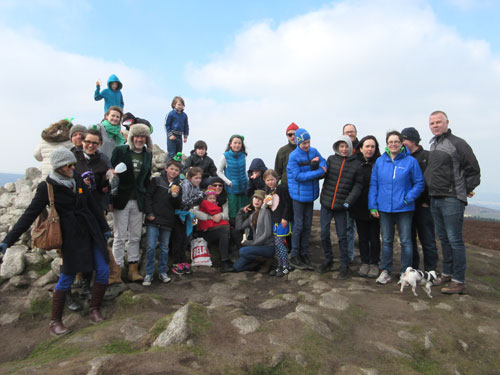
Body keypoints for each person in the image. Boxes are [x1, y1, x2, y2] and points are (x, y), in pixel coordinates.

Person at [0, 147, 111, 335]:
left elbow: (92, 204)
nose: (72, 167)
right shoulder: (47, 187)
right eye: (68, 165)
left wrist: (105, 228)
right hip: (71, 238)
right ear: (59, 166)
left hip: (91, 231)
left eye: (73, 164)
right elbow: (29, 215)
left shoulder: (76, 178)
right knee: (67, 275)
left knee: (103, 269)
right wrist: (8, 240)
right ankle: (55, 321)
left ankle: (94, 309)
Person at [424, 111, 480, 294]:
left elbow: (474, 171)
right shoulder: (433, 145)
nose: (435, 125)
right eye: (432, 123)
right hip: (436, 198)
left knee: (455, 240)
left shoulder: (458, 143)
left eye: (438, 122)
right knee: (444, 239)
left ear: (447, 122)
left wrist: (462, 190)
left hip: (451, 199)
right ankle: (447, 274)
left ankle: (458, 281)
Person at [369, 131, 425, 285]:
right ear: (387, 144)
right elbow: (374, 184)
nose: (393, 144)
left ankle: (405, 273)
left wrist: (408, 198)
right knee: (386, 241)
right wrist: (373, 206)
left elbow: (419, 183)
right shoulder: (380, 162)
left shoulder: (410, 161)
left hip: (404, 208)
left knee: (406, 241)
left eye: (396, 141)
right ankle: (385, 271)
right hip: (385, 208)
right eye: (390, 142)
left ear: (401, 144)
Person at [110, 124, 153, 282]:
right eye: (137, 136)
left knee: (135, 236)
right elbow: (110, 170)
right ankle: (116, 271)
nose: (140, 139)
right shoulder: (120, 151)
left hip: (138, 199)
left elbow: (147, 177)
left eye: (143, 137)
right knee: (119, 237)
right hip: (121, 198)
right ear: (131, 137)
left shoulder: (148, 154)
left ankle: (133, 270)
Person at [319, 136, 363, 279]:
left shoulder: (356, 164)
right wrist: (315, 166)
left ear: (350, 147)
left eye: (346, 146)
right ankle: (328, 259)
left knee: (342, 236)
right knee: (324, 233)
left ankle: (344, 265)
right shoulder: (331, 159)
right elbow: (323, 173)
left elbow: (358, 186)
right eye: (341, 146)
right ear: (337, 147)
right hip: (326, 203)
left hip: (342, 206)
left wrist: (348, 201)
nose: (344, 149)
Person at [287, 128, 327, 270]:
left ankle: (304, 253)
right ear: (298, 142)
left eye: (308, 142)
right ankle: (294, 254)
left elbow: (324, 161)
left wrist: (321, 165)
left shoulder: (314, 151)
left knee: (307, 225)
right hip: (298, 196)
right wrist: (318, 172)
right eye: (304, 143)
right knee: (298, 226)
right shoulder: (293, 156)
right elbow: (299, 176)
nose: (307, 145)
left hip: (310, 196)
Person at [401, 127, 439, 272]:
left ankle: (431, 270)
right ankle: (413, 269)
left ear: (413, 140)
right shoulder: (402, 158)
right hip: (407, 206)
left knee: (427, 239)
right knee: (409, 240)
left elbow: (432, 181)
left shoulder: (427, 156)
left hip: (423, 206)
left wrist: (427, 201)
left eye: (403, 139)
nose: (401, 143)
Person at [142, 158, 182, 286]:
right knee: (151, 247)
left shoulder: (178, 186)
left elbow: (177, 205)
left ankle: (162, 271)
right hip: (153, 219)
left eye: (176, 170)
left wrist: (175, 195)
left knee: (164, 248)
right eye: (171, 169)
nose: (174, 172)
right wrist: (149, 213)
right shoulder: (156, 181)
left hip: (168, 220)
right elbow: (148, 197)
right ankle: (148, 273)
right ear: (166, 169)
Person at [349, 136, 381, 278]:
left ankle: (374, 263)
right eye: (367, 146)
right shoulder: (354, 163)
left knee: (374, 237)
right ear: (360, 148)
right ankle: (365, 262)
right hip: (359, 206)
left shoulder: (380, 162)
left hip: (376, 206)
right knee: (362, 237)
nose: (370, 149)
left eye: (372, 146)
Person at [193, 177, 234, 273]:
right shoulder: (200, 199)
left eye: (220, 185)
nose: (217, 187)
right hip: (205, 230)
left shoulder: (223, 200)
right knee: (224, 232)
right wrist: (210, 217)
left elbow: (225, 216)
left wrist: (219, 215)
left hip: (216, 228)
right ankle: (225, 261)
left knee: (231, 231)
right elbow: (194, 212)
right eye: (215, 185)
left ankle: (237, 259)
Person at [170, 166, 204, 275]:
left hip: (186, 214)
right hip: (177, 214)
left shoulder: (196, 187)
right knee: (178, 238)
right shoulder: (185, 185)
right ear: (189, 177)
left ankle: (182, 261)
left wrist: (198, 197)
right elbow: (184, 201)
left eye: (200, 178)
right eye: (196, 178)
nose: (198, 180)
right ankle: (176, 263)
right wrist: (199, 197)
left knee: (185, 238)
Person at [233, 190, 274, 272]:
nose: (257, 200)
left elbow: (267, 233)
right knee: (237, 267)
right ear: (252, 199)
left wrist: (253, 243)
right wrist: (241, 212)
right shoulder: (252, 215)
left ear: (263, 201)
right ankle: (260, 263)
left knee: (242, 251)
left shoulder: (266, 212)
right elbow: (239, 227)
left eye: (260, 199)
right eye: (255, 198)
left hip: (268, 247)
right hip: (256, 247)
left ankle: (267, 260)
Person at [263, 169, 293, 277]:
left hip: (282, 220)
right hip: (274, 221)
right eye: (267, 180)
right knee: (277, 244)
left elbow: (288, 204)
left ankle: (286, 266)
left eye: (272, 179)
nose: (270, 182)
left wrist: (285, 218)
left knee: (280, 243)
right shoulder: (268, 191)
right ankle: (279, 265)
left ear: (277, 179)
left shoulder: (282, 188)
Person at [217, 134, 249, 220]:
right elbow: (219, 171)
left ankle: (245, 233)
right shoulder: (225, 156)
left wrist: (248, 180)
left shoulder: (243, 155)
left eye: (239, 143)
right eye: (235, 143)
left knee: (245, 213)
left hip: (243, 188)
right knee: (233, 215)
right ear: (230, 144)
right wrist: (229, 182)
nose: (237, 145)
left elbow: (244, 170)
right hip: (232, 189)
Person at [342, 123, 359, 263]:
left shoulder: (361, 149)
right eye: (347, 132)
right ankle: (348, 256)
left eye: (351, 131)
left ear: (356, 133)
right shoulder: (340, 150)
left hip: (361, 195)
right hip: (346, 196)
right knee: (348, 227)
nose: (349, 134)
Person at [165, 96, 189, 160]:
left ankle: (178, 168)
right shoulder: (171, 114)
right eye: (179, 104)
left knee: (179, 153)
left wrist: (185, 136)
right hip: (172, 135)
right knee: (172, 153)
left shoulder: (184, 115)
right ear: (174, 105)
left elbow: (186, 126)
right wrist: (170, 135)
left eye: (182, 105)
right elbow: (166, 125)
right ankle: (168, 167)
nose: (180, 106)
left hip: (179, 136)